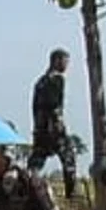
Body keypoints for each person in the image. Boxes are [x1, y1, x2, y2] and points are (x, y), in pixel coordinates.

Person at [28, 48, 78, 199]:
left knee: (36, 162)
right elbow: (54, 106)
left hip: (40, 129)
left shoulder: (40, 82)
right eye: (65, 61)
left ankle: (28, 185)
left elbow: (35, 107)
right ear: (57, 60)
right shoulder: (57, 79)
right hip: (53, 128)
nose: (66, 65)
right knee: (69, 157)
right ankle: (72, 195)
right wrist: (58, 128)